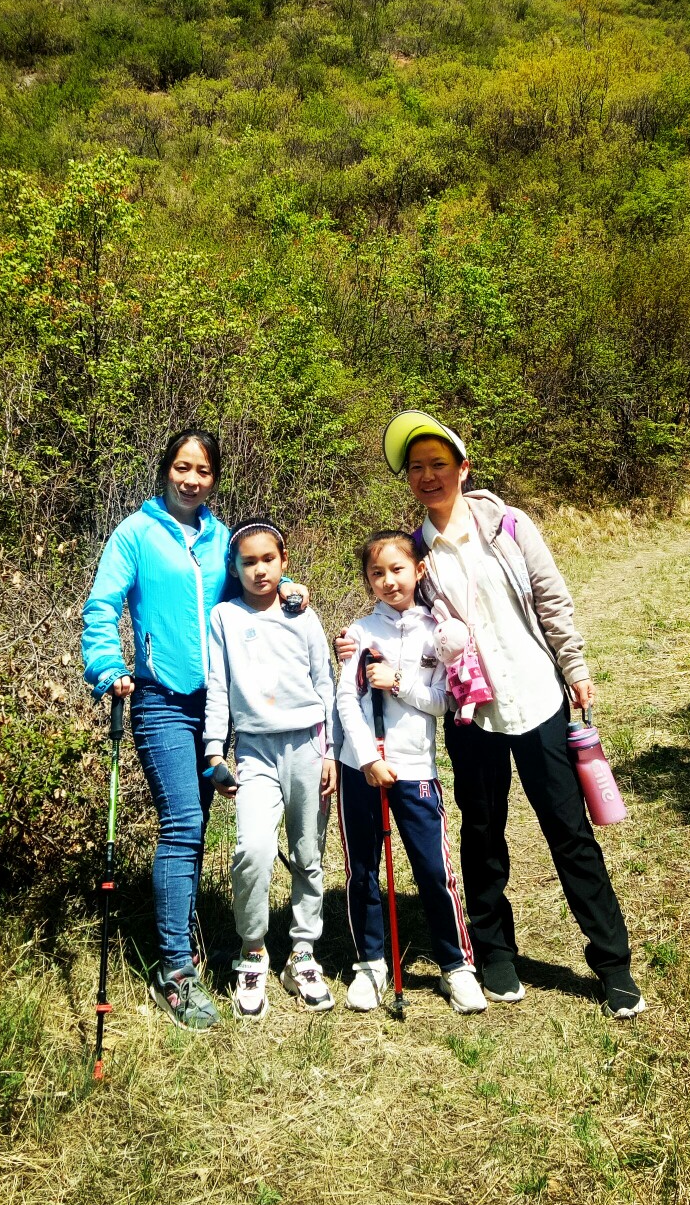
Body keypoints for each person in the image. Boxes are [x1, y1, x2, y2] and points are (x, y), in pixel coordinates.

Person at [380, 410, 645, 1018]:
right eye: (416, 468)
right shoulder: (414, 553)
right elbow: (391, 607)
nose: (427, 476)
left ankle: (613, 963)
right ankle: (495, 953)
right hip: (473, 715)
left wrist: (574, 667)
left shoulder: (508, 525)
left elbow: (552, 595)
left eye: (438, 464)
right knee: (481, 833)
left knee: (569, 831)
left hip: (536, 696)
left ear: (462, 468)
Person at [80, 429, 305, 1031]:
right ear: (165, 471)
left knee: (197, 825)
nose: (191, 479)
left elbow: (247, 585)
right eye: (182, 467)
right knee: (182, 822)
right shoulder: (136, 532)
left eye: (203, 470)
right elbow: (102, 606)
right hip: (159, 698)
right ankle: (175, 969)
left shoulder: (219, 537)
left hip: (218, 707)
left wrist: (284, 591)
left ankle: (188, 934)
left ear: (214, 478)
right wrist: (107, 666)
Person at [335, 530, 486, 1015]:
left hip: (416, 766)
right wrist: (367, 759)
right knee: (363, 870)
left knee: (434, 869)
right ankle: (371, 963)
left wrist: (398, 684)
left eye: (398, 569)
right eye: (377, 573)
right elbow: (346, 702)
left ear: (419, 570)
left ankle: (456, 965)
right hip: (361, 768)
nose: (388, 580)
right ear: (367, 581)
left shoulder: (437, 632)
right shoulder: (359, 634)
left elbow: (444, 701)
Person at [204, 519, 336, 1019]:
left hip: (309, 744)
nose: (259, 569)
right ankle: (252, 951)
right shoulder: (224, 618)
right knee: (253, 850)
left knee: (308, 853)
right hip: (254, 749)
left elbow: (325, 684)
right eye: (248, 562)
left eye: (268, 560)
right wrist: (215, 752)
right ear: (234, 569)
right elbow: (219, 687)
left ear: (284, 561)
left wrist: (330, 753)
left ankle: (303, 952)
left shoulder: (304, 615)